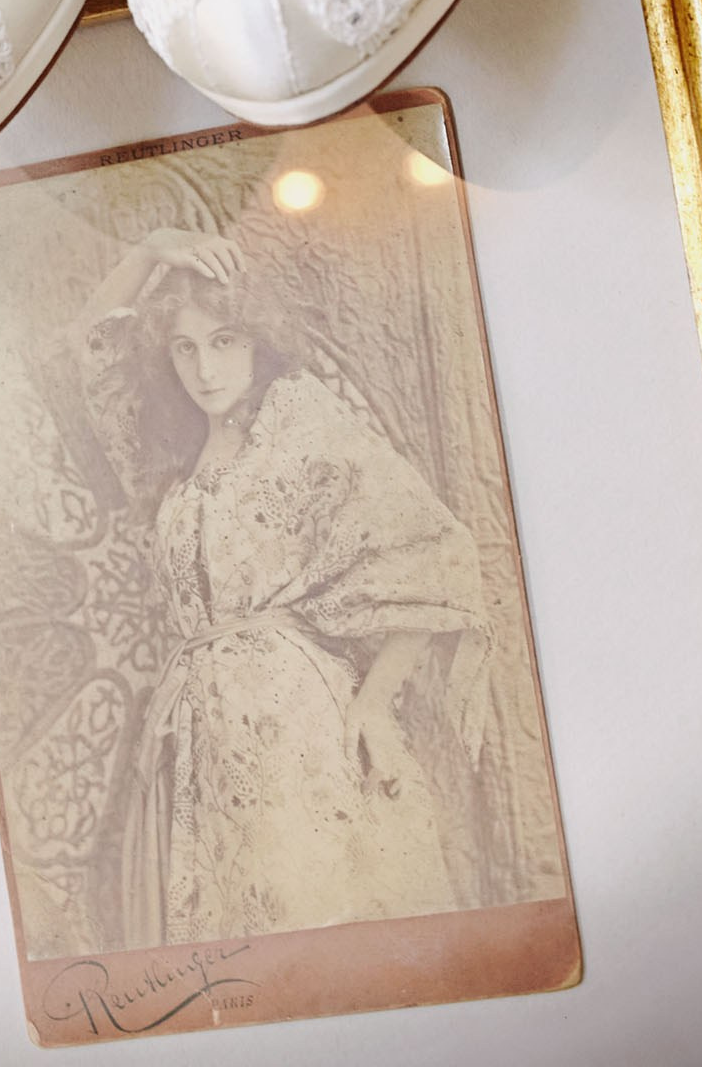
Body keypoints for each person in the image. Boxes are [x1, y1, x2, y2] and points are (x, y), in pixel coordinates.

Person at [79, 226, 492, 950]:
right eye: (185, 348)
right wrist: (149, 253)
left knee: (311, 918)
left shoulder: (300, 421)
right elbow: (93, 354)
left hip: (297, 722)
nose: (206, 369)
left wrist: (370, 705)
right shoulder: (169, 448)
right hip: (196, 731)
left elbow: (432, 550)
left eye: (226, 341)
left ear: (259, 342)